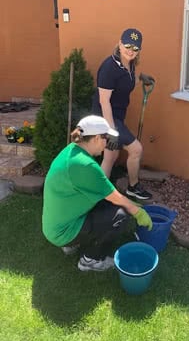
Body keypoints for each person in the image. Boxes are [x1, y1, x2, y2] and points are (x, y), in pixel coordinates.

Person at [42, 115, 153, 272]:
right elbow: (114, 196)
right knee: (120, 216)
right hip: (63, 232)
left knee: (110, 204)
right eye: (105, 138)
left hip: (55, 226)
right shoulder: (84, 165)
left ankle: (71, 245)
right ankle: (91, 260)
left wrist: (129, 203)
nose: (107, 143)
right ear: (94, 138)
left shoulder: (72, 150)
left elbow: (106, 192)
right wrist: (138, 211)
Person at [92, 28, 155, 200]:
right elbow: (104, 102)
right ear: (120, 43)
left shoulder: (130, 63)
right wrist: (111, 132)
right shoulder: (109, 68)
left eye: (135, 48)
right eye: (127, 45)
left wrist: (142, 77)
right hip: (105, 116)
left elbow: (128, 77)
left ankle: (99, 193)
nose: (130, 50)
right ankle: (133, 187)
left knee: (111, 156)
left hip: (117, 115)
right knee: (136, 150)